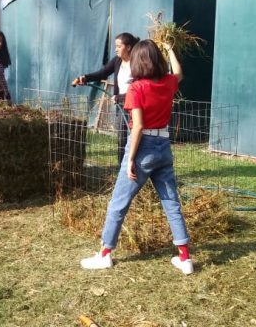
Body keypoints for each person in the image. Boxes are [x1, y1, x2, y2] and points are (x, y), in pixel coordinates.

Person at [80, 39, 193, 275]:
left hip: (142, 148)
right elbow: (179, 72)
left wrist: (130, 159)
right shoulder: (168, 82)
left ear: (137, 63)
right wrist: (171, 48)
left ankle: (105, 254)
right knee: (171, 202)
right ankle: (185, 257)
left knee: (118, 203)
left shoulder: (137, 88)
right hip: (164, 145)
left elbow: (138, 126)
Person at [72, 32, 139, 164]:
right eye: (116, 46)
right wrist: (85, 78)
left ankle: (136, 167)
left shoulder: (137, 63)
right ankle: (122, 168)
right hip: (121, 105)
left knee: (136, 137)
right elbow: (103, 73)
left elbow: (139, 87)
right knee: (122, 138)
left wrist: (120, 96)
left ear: (129, 47)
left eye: (119, 46)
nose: (116, 49)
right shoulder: (117, 61)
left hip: (135, 106)